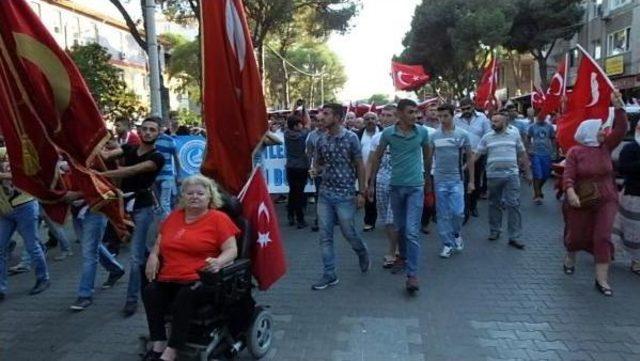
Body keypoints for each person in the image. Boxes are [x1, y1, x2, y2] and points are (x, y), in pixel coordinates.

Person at [142, 175, 239, 361]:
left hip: (201, 279)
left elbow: (232, 250)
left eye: (200, 193)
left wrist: (218, 262)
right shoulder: (173, 218)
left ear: (209, 197)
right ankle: (159, 342)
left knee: (185, 296)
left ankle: (172, 349)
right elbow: (159, 243)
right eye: (190, 193)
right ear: (183, 197)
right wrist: (153, 256)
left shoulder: (219, 219)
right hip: (169, 277)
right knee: (150, 291)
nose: (194, 196)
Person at [562, 91, 628, 296]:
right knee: (577, 236)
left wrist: (619, 108)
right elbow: (568, 175)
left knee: (602, 237)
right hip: (581, 199)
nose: (604, 131)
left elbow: (621, 129)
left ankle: (602, 280)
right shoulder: (575, 152)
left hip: (607, 198)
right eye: (600, 129)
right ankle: (570, 256)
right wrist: (571, 192)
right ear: (589, 132)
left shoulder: (606, 147)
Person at [101, 117, 165, 316]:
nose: (147, 132)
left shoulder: (157, 157)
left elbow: (131, 171)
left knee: (135, 256)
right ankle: (160, 268)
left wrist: (101, 176)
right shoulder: (128, 148)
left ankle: (132, 299)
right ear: (139, 130)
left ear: (158, 133)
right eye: (144, 129)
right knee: (143, 252)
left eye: (152, 130)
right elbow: (104, 155)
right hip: (122, 206)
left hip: (142, 208)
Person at [367, 99, 431, 293]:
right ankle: (402, 256)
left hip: (415, 188)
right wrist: (370, 183)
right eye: (411, 112)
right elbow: (377, 157)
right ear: (401, 113)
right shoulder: (388, 134)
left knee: (411, 230)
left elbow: (428, 156)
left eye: (416, 112)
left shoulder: (422, 132)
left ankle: (412, 275)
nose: (415, 116)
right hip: (395, 187)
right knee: (400, 227)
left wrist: (428, 180)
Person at [310, 103, 370, 290]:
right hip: (325, 194)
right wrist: (315, 170)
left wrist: (361, 192)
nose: (322, 117)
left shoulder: (351, 138)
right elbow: (319, 163)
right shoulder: (320, 140)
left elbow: (360, 165)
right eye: (322, 113)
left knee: (348, 232)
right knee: (325, 235)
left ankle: (361, 251)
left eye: (326, 114)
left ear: (337, 117)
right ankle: (329, 274)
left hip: (345, 194)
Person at [472, 109, 531, 250]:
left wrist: (528, 173)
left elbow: (523, 154)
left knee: (514, 205)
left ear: (504, 122)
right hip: (493, 175)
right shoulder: (487, 137)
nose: (493, 124)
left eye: (496, 121)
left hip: (512, 175)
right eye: (492, 121)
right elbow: (477, 154)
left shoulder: (514, 134)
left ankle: (514, 237)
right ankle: (494, 231)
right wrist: (466, 166)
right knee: (494, 204)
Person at [0, 149, 50, 300]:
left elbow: (25, 174)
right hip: (5, 209)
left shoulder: (10, 150)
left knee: (32, 246)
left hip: (24, 205)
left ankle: (43, 278)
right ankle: (1, 288)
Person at [430, 104, 473, 258]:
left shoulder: (462, 135)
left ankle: (456, 233)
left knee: (458, 212)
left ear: (453, 115)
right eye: (439, 116)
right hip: (440, 179)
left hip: (457, 179)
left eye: (445, 116)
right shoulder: (434, 136)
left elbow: (469, 157)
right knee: (442, 214)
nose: (442, 119)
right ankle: (447, 244)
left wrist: (471, 181)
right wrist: (428, 179)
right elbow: (429, 158)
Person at [367, 105, 400, 268]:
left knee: (391, 219)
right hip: (381, 181)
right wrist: (370, 183)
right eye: (383, 115)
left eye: (389, 115)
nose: (385, 118)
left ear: (397, 117)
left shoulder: (403, 135)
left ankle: (392, 251)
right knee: (386, 221)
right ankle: (397, 246)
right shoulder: (377, 138)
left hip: (399, 183)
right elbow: (374, 161)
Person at [455, 98, 491, 218]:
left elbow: (487, 135)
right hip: (462, 154)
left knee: (475, 180)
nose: (465, 111)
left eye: (468, 108)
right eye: (463, 109)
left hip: (477, 154)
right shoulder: (456, 119)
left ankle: (473, 206)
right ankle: (464, 206)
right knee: (462, 180)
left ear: (473, 106)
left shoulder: (482, 118)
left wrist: (481, 150)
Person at [613, 124, 640, 276]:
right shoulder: (631, 148)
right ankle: (636, 261)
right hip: (634, 194)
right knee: (632, 228)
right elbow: (623, 168)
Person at [284, 115, 311, 229]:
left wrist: (294, 110)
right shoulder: (302, 135)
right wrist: (305, 111)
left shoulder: (286, 134)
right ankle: (300, 219)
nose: (302, 125)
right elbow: (308, 123)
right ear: (295, 126)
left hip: (290, 166)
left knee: (292, 191)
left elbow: (287, 123)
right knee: (299, 193)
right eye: (299, 124)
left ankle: (290, 214)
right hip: (301, 167)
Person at [358, 112, 381, 231]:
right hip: (364, 169)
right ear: (363, 121)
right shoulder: (358, 134)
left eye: (373, 118)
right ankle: (369, 221)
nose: (370, 121)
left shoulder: (383, 133)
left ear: (377, 120)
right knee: (368, 194)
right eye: (367, 119)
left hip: (381, 169)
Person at [154, 122, 181, 220]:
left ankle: (168, 226)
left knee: (164, 202)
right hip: (154, 177)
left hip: (167, 176)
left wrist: (178, 175)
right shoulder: (151, 141)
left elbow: (176, 158)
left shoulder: (169, 140)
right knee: (160, 204)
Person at [527, 113, 556, 204]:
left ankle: (539, 189)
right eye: (539, 117)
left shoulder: (549, 127)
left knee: (546, 175)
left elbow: (553, 138)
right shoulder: (532, 127)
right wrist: (529, 149)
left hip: (547, 153)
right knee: (538, 174)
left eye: (542, 117)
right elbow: (528, 138)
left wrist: (554, 151)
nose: (541, 118)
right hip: (536, 154)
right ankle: (537, 195)